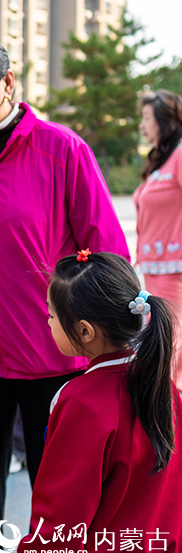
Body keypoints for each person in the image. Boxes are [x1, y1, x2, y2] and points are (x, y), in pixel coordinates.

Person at [0, 35, 130, 553]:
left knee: (59, 490)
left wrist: (110, 336)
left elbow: (104, 245)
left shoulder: (62, 150)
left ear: (7, 83)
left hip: (56, 358)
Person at [18, 250, 182, 553]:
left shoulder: (80, 402)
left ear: (84, 331)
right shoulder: (168, 391)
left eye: (51, 315)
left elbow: (64, 506)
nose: (48, 321)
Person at [135, 89, 182, 389]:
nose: (141, 126)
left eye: (146, 118)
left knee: (170, 351)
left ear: (165, 121)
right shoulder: (160, 162)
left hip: (175, 272)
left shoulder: (179, 156)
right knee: (164, 350)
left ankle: (170, 425)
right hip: (155, 271)